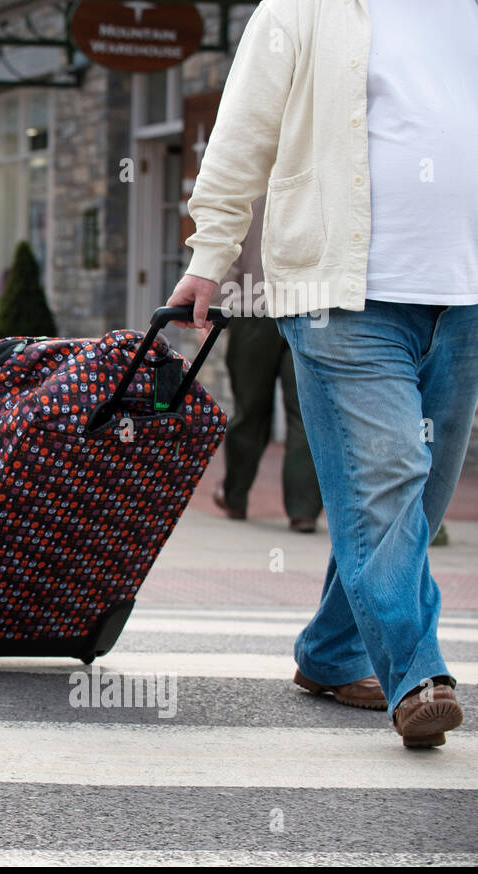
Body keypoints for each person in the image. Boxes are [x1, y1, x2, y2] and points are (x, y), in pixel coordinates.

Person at [167, 0, 476, 748]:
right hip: (343, 300)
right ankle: (416, 675)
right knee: (391, 480)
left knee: (416, 503)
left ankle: (333, 651)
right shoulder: (304, 8)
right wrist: (211, 256)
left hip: (463, 297)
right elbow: (243, 132)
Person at [210, 197, 322, 533]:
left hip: (253, 309)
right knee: (305, 414)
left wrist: (215, 307)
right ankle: (303, 511)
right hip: (310, 309)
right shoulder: (321, 177)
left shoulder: (252, 181)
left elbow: (229, 248)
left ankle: (235, 497)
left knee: (250, 410)